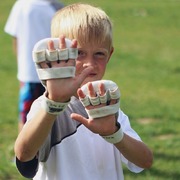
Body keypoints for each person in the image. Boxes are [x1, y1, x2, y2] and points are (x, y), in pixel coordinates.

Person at [14, 3, 153, 180]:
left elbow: (145, 161)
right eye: (79, 53)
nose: (89, 63)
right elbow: (23, 154)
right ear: (60, 53)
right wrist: (54, 104)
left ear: (109, 55)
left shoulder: (107, 105)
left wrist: (114, 133)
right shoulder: (45, 107)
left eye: (99, 54)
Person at [4, 0, 64, 132]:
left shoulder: (21, 5)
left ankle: (25, 150)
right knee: (53, 117)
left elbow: (16, 38)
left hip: (29, 72)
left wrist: (22, 65)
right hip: (55, 73)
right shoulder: (57, 9)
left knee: (26, 117)